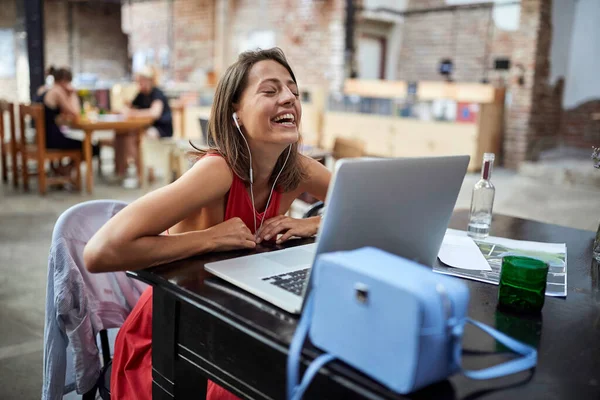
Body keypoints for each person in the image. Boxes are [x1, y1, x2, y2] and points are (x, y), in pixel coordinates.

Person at [84, 48, 331, 399]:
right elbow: (100, 251)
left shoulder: (295, 168)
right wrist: (209, 239)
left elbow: (368, 205)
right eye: (271, 90)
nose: (289, 98)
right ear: (236, 111)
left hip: (240, 318)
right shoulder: (217, 171)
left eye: (293, 90)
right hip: (174, 340)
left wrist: (313, 223)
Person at [114, 66, 173, 177]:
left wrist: (133, 113)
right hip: (144, 126)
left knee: (137, 138)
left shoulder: (157, 93)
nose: (139, 84)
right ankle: (122, 171)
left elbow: (155, 113)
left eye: (141, 81)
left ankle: (145, 172)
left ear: (148, 80)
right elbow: (130, 107)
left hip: (160, 128)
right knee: (121, 135)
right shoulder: (141, 94)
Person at [40, 67, 98, 177]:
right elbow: (75, 112)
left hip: (40, 137)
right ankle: (65, 169)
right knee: (92, 147)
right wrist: (73, 94)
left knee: (83, 144)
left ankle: (63, 170)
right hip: (51, 139)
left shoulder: (44, 89)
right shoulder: (57, 92)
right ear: (64, 81)